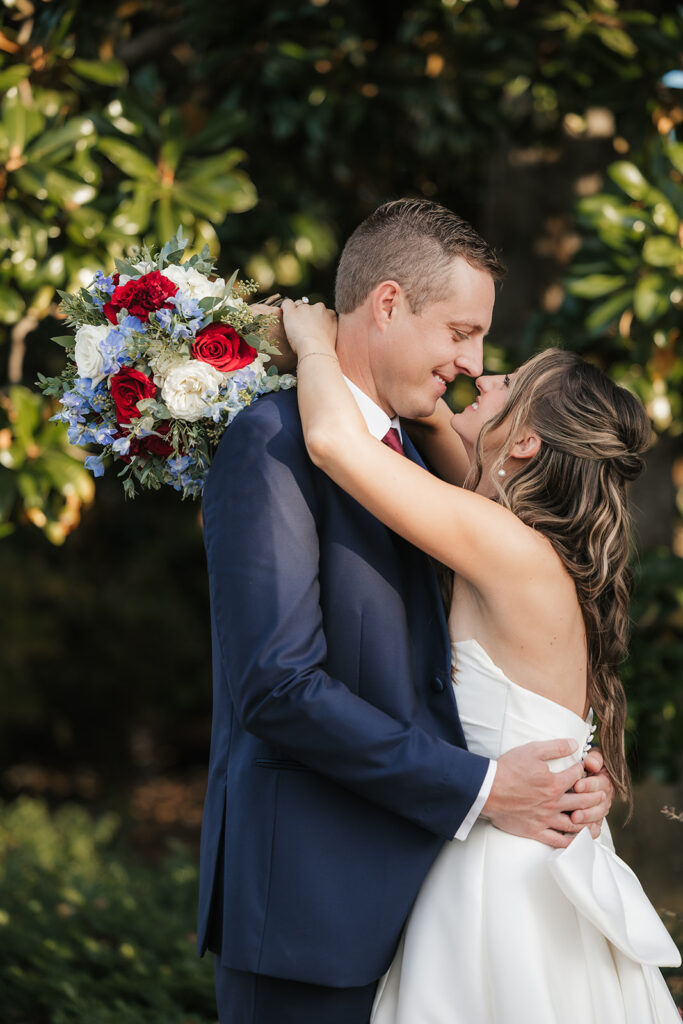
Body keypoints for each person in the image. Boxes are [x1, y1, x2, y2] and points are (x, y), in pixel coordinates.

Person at [198, 198, 614, 1024]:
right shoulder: (276, 440)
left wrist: (564, 775)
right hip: (316, 912)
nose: (471, 363)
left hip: (446, 906)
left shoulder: (424, 469)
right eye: (461, 332)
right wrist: (486, 786)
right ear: (387, 304)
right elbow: (277, 687)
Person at [281, 295, 682, 1022]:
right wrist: (438, 411)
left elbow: (334, 445)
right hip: (535, 852)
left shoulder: (504, 547)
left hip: (501, 874)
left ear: (524, 442)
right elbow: (461, 459)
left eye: (508, 381)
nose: (483, 377)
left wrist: (312, 343)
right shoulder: (528, 548)